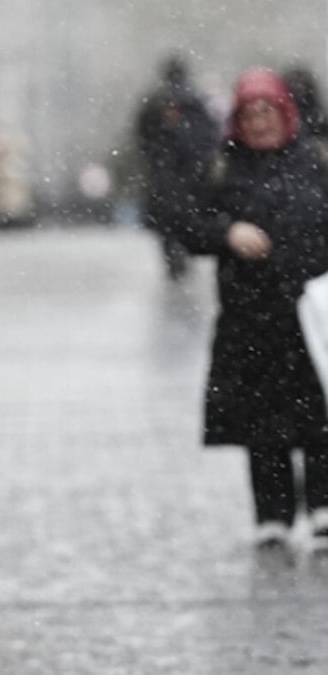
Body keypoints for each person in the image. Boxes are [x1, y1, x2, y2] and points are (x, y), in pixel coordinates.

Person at [179, 68, 328, 550]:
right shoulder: (223, 167)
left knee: (319, 410)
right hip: (250, 317)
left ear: (286, 113)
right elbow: (188, 222)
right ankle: (273, 515)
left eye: (268, 111)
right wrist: (227, 234)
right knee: (263, 421)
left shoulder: (316, 161)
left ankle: (324, 505)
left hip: (313, 314)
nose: (260, 122)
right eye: (250, 113)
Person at [134, 56, 220, 281]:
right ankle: (182, 250)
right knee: (186, 214)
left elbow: (142, 135)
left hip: (164, 172)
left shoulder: (155, 101)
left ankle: (173, 253)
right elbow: (210, 133)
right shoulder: (196, 100)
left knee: (166, 219)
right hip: (190, 173)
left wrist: (154, 157)